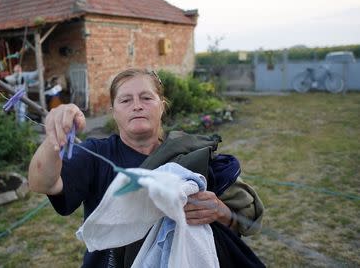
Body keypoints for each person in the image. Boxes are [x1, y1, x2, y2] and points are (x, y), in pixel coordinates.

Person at [29, 69, 264, 267]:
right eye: (125, 100)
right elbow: (42, 183)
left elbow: (247, 222)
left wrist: (221, 212)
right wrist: (55, 136)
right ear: (114, 111)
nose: (137, 106)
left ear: (161, 106)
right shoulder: (97, 154)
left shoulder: (191, 155)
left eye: (146, 98)